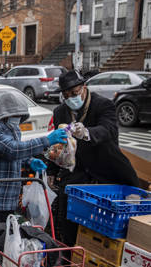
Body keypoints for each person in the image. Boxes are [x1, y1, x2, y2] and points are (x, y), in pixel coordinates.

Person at [52, 70, 139, 246]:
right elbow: (58, 144)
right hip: (77, 168)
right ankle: (71, 252)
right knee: (66, 214)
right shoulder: (60, 112)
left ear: (83, 88)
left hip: (106, 165)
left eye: (74, 93)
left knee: (105, 219)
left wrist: (86, 132)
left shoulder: (103, 105)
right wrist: (51, 170)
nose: (71, 98)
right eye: (66, 95)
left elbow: (108, 130)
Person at [0, 92, 68, 236]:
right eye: (15, 116)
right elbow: (11, 149)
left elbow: (12, 152)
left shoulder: (13, 127)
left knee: (3, 245)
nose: (17, 120)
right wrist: (46, 140)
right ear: (3, 112)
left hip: (8, 198)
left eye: (20, 116)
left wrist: (29, 161)